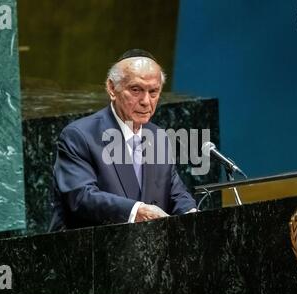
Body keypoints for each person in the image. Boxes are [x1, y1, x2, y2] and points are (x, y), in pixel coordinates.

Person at [49, 49, 196, 231]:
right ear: (112, 88)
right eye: (136, 90)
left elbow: (175, 191)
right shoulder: (80, 135)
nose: (146, 101)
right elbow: (80, 196)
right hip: (92, 251)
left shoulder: (158, 136)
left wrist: (192, 215)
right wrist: (136, 211)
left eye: (153, 92)